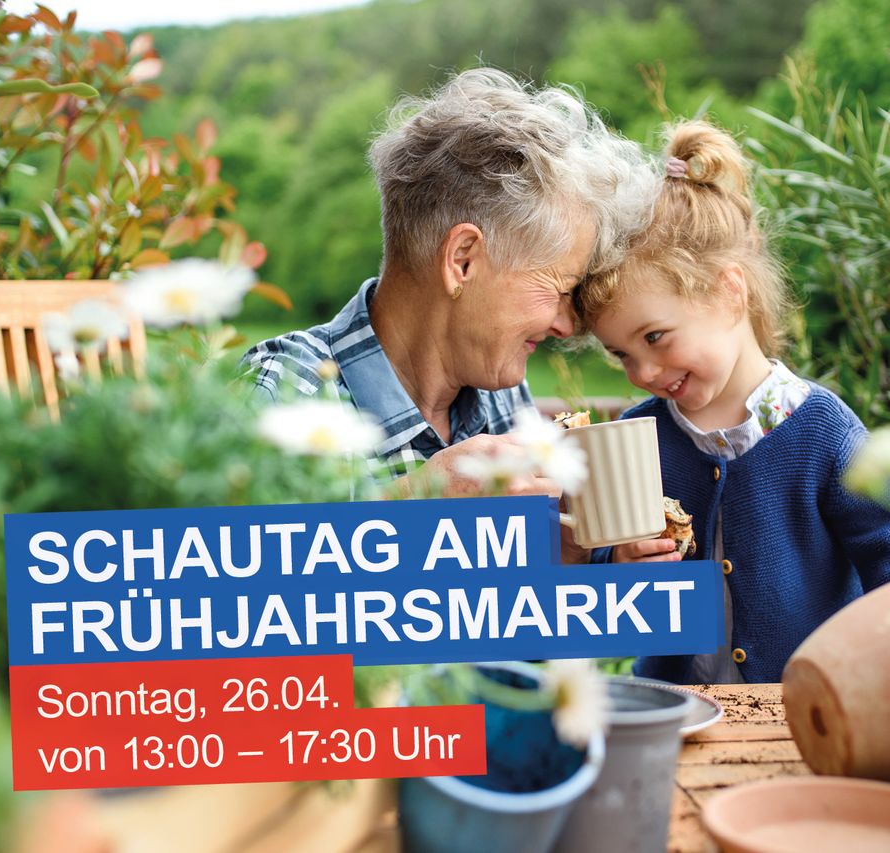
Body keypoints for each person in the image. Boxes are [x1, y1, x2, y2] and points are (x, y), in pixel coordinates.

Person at [241, 69, 655, 527]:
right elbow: (206, 577)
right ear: (462, 261)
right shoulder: (286, 388)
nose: (566, 324)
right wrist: (415, 503)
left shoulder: (496, 393)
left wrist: (568, 556)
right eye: (558, 290)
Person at [574, 120, 890, 683]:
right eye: (621, 355)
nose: (642, 372)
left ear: (729, 291)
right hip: (674, 710)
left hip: (799, 719)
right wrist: (618, 562)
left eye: (654, 338)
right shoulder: (637, 438)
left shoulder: (821, 431)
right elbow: (603, 582)